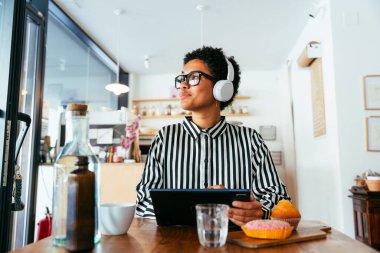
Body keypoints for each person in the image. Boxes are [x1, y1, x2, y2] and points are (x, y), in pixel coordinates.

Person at [136, 46, 290, 226]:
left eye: (193, 77)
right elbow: (143, 200)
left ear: (221, 87)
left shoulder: (250, 140)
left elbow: (279, 198)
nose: (183, 84)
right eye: (182, 78)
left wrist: (261, 210)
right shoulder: (165, 137)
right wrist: (193, 209)